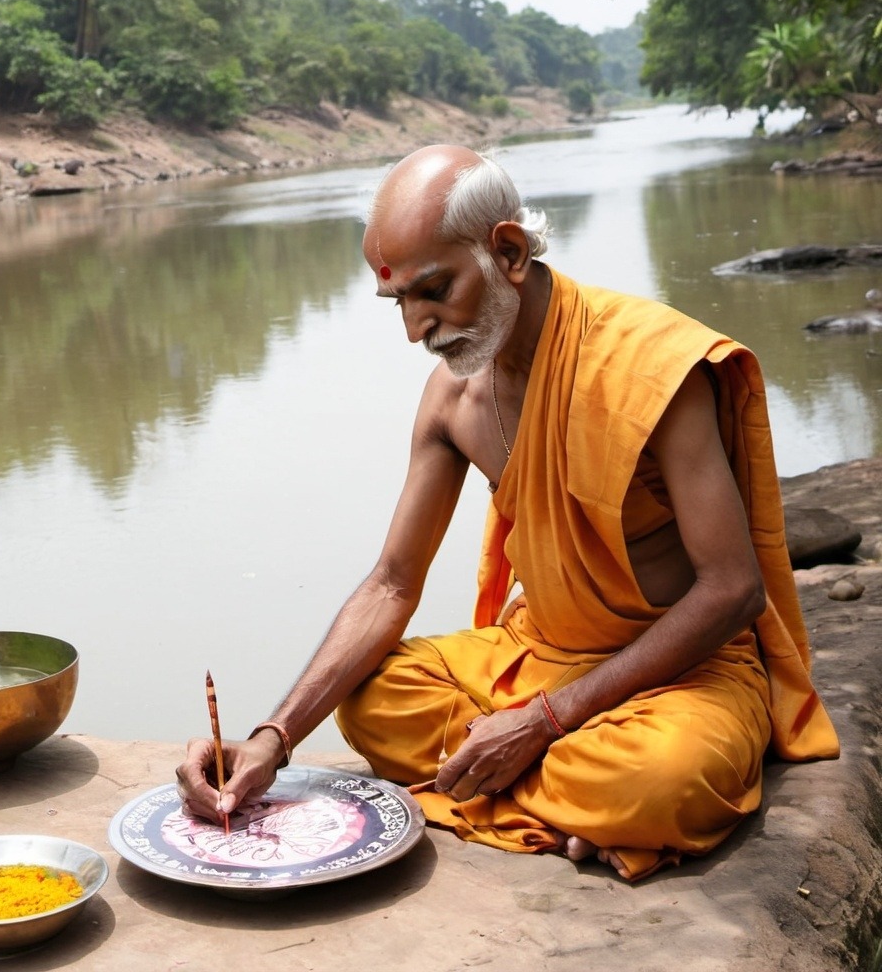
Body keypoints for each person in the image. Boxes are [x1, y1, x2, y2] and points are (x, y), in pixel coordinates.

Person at [177, 144, 840, 881]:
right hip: (541, 656)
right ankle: (573, 805)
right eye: (402, 302)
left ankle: (520, 783)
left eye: (435, 290)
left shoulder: (652, 365)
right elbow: (393, 582)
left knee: (665, 779)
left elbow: (731, 590)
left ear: (510, 251)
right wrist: (274, 738)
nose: (416, 329)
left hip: (681, 673)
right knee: (367, 698)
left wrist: (540, 725)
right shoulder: (454, 399)